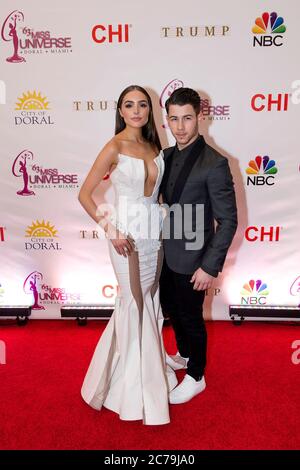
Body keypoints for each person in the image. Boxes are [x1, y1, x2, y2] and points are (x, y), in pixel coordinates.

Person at [78, 85, 177, 425]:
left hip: (153, 235)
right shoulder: (114, 146)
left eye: (142, 105)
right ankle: (130, 388)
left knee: (148, 300)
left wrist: (163, 213)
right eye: (129, 105)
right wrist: (111, 229)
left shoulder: (153, 145)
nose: (136, 110)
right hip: (125, 236)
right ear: (120, 111)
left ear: (150, 111)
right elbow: (85, 195)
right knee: (132, 302)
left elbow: (155, 194)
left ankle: (139, 371)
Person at [159, 87, 238, 404]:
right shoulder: (166, 156)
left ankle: (196, 375)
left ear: (200, 117)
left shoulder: (215, 163)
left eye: (187, 118)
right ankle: (183, 354)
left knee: (191, 317)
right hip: (167, 253)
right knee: (174, 312)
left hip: (195, 260)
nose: (180, 127)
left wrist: (209, 266)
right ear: (167, 119)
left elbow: (228, 221)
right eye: (174, 119)